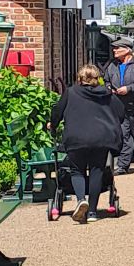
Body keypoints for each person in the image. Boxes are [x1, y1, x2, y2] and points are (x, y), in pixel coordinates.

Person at [50, 65, 127, 222]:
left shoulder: (71, 92)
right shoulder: (107, 94)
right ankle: (92, 212)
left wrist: (53, 125)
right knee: (96, 171)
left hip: (76, 137)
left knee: (76, 170)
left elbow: (57, 111)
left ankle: (81, 200)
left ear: (79, 79)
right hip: (101, 138)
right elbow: (121, 113)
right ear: (97, 79)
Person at [104, 39, 134, 173]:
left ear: (127, 50)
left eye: (117, 48)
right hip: (120, 106)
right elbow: (106, 80)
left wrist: (129, 88)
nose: (114, 50)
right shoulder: (112, 65)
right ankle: (123, 165)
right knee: (123, 135)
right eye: (114, 48)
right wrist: (109, 89)